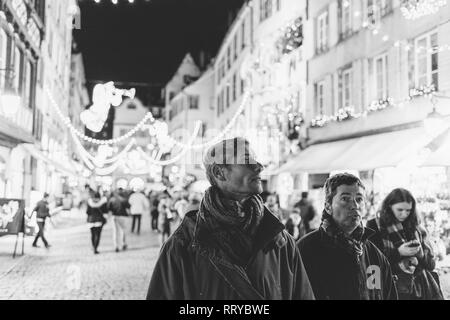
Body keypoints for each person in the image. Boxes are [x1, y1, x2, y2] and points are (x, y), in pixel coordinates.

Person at [147, 137, 315, 300]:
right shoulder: (182, 245)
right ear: (219, 172)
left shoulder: (280, 240)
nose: (259, 167)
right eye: (246, 160)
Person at [298, 173, 397, 300]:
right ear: (328, 206)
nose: (355, 205)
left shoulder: (374, 256)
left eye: (359, 199)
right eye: (345, 199)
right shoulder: (306, 249)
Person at [366, 188, 444, 300]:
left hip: (420, 288)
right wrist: (398, 252)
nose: (404, 214)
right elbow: (371, 263)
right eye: (400, 209)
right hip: (389, 288)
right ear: (389, 206)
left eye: (408, 210)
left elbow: (431, 265)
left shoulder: (415, 227)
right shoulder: (374, 225)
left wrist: (421, 255)